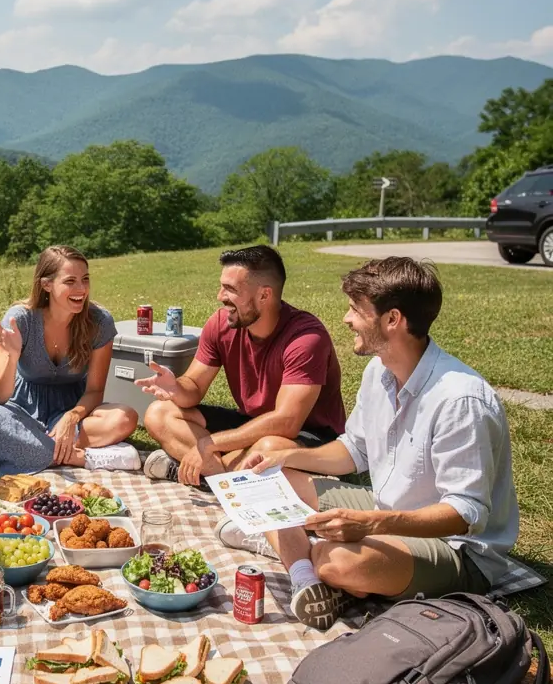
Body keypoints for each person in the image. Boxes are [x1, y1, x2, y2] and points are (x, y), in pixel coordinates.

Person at [230, 257, 519, 631]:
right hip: (390, 510)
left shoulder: (460, 400)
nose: (346, 319)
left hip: (456, 549)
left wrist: (371, 524)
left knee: (338, 560)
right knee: (270, 480)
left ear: (392, 319)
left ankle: (310, 557)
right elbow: (355, 450)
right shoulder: (378, 371)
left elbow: (466, 514)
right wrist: (285, 456)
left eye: (356, 309)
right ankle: (307, 579)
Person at [137, 245, 345, 485]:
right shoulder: (220, 324)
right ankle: (227, 479)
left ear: (264, 295)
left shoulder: (306, 339)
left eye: (230, 289)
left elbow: (287, 422)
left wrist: (210, 443)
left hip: (309, 435)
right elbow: (194, 385)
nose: (220, 296)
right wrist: (177, 387)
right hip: (251, 422)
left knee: (269, 448)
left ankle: (210, 475)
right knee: (159, 413)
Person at [0, 245, 141, 476]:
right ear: (46, 285)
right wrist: (12, 357)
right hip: (23, 409)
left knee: (125, 417)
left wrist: (72, 418)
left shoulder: (99, 322)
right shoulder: (20, 319)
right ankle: (80, 457)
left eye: (85, 279)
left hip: (74, 407)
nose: (81, 289)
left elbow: (95, 391)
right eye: (70, 281)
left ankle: (30, 449)